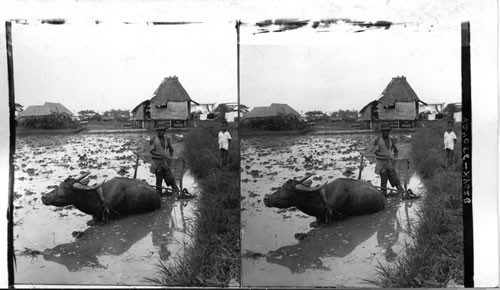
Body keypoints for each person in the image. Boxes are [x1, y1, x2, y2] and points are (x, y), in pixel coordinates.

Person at [370, 123, 406, 197]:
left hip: (389, 164)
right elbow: (375, 152)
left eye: (387, 131)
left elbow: (396, 150)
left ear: (389, 132)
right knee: (384, 182)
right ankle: (384, 196)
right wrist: (384, 155)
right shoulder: (377, 140)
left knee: (396, 180)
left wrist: (394, 161)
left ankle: (403, 194)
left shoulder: (391, 140)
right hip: (381, 165)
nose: (385, 132)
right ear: (381, 132)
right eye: (383, 131)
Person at [150, 125, 180, 196]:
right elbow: (152, 151)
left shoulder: (167, 139)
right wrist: (159, 155)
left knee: (171, 179)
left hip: (165, 162)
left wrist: (170, 159)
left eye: (161, 131)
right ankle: (159, 195)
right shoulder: (153, 139)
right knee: (159, 180)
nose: (159, 132)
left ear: (164, 132)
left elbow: (171, 149)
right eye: (158, 131)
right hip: (157, 163)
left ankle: (177, 192)